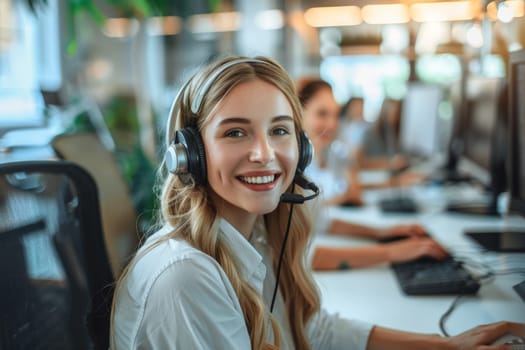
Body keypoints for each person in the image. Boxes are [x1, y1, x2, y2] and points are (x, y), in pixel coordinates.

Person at [110, 56, 524, 349]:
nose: (265, 154)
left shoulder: (255, 236)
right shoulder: (185, 278)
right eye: (236, 132)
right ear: (190, 154)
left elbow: (311, 332)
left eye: (279, 130)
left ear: (302, 148)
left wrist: (441, 345)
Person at [297, 78, 448, 270]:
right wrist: (393, 252)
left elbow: (322, 222)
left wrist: (383, 233)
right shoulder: (288, 168)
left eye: (335, 114)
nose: (332, 124)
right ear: (298, 112)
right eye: (322, 113)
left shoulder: (319, 156)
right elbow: (305, 258)